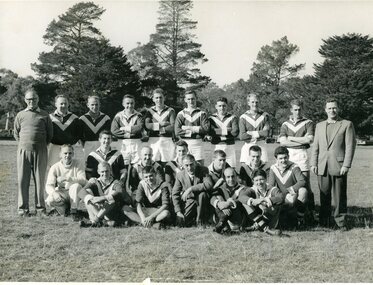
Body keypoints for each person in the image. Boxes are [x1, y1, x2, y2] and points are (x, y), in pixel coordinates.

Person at [311, 98, 356, 230]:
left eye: (334, 108)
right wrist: (313, 163)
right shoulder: (319, 126)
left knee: (339, 196)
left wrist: (346, 165)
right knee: (324, 195)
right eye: (329, 108)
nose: (332, 110)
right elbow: (315, 147)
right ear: (325, 110)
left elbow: (350, 146)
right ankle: (324, 222)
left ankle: (340, 222)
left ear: (338, 109)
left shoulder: (346, 124)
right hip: (322, 165)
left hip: (339, 165)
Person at [14, 88, 53, 216]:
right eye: (29, 99)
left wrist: (40, 144)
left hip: (40, 150)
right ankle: (23, 208)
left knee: (40, 180)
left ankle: (40, 208)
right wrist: (25, 144)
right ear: (25, 100)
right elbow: (16, 133)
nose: (32, 101)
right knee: (22, 180)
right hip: (23, 151)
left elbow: (50, 134)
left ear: (38, 99)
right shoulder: (20, 115)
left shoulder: (44, 115)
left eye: (34, 99)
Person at [279, 99, 315, 220]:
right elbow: (282, 142)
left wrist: (291, 139)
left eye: (299, 109)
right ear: (291, 110)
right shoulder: (285, 124)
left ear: (302, 109)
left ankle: (311, 212)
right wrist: (300, 140)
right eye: (295, 109)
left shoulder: (308, 122)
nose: (297, 112)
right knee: (289, 182)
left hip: (302, 155)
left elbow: (309, 140)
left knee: (305, 184)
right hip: (288, 155)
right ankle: (291, 211)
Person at [78, 161, 132, 227]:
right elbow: (81, 192)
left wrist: (102, 198)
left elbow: (119, 192)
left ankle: (95, 220)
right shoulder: (95, 181)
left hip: (112, 211)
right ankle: (103, 222)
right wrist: (92, 199)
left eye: (107, 171)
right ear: (98, 172)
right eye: (102, 172)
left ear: (110, 171)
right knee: (87, 194)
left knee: (111, 199)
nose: (105, 174)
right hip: (99, 209)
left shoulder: (115, 182)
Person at [268, 146, 307, 228]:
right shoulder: (273, 168)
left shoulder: (294, 167)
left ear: (288, 157)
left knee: (303, 191)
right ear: (276, 159)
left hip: (293, 194)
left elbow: (302, 181)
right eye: (280, 158)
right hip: (281, 195)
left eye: (285, 157)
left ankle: (300, 218)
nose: (283, 160)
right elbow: (271, 185)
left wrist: (290, 191)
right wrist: (279, 195)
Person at [45, 144, 87, 220]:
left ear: (73, 154)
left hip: (74, 193)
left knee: (76, 186)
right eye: (65, 153)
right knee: (50, 200)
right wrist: (54, 193)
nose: (67, 155)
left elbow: (83, 180)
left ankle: (73, 211)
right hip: (62, 193)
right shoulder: (55, 167)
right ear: (60, 155)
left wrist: (68, 178)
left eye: (70, 153)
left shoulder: (78, 164)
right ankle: (64, 210)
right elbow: (49, 185)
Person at [172, 154, 213, 227]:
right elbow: (175, 194)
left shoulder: (203, 170)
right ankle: (193, 219)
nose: (189, 168)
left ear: (195, 163)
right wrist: (178, 212)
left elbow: (209, 184)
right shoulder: (180, 175)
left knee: (202, 194)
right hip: (189, 201)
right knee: (182, 223)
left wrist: (190, 189)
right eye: (186, 165)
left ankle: (200, 220)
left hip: (202, 201)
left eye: (191, 164)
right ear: (182, 165)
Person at [210, 167, 250, 234]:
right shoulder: (221, 188)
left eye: (233, 176)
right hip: (223, 214)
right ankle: (223, 225)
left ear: (236, 176)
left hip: (236, 218)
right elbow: (212, 198)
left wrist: (227, 204)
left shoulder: (242, 188)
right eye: (228, 177)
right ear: (225, 178)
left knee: (235, 204)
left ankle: (222, 224)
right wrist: (219, 204)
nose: (231, 179)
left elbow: (240, 200)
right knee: (217, 202)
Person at [244, 169, 283, 236]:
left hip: (271, 218)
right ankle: (265, 228)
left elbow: (281, 198)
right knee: (246, 202)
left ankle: (258, 226)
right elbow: (241, 197)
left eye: (261, 179)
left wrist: (263, 201)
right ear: (253, 181)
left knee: (274, 206)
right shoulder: (253, 189)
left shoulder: (272, 189)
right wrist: (253, 200)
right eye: (256, 180)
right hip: (259, 218)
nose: (259, 182)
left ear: (266, 179)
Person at [175, 90, 209, 165]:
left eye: (193, 98)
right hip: (184, 143)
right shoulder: (181, 114)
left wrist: (186, 128)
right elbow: (177, 131)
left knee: (199, 167)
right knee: (182, 166)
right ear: (185, 100)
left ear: (196, 98)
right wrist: (197, 129)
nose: (191, 101)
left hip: (197, 143)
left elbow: (206, 129)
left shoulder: (202, 113)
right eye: (189, 99)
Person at [144, 88, 176, 165]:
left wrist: (158, 129)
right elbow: (147, 125)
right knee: (153, 164)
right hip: (153, 141)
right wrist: (161, 124)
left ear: (164, 98)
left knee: (167, 164)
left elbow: (173, 126)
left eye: (161, 97)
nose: (159, 100)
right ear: (153, 99)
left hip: (166, 140)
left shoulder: (170, 110)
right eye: (156, 98)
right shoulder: (149, 111)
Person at [48, 95, 80, 168]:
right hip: (55, 148)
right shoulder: (49, 118)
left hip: (69, 149)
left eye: (65, 103)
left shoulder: (74, 118)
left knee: (70, 170)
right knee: (54, 169)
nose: (64, 105)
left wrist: (71, 143)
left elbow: (78, 134)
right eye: (61, 104)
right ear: (56, 104)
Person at [111, 94, 144, 164]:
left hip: (136, 143)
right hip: (123, 144)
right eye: (127, 103)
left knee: (136, 167)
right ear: (123, 104)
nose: (130, 106)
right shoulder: (118, 116)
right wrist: (127, 135)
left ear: (134, 104)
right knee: (123, 166)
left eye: (132, 103)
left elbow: (139, 128)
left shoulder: (138, 115)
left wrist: (123, 128)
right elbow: (114, 130)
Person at [206, 97, 239, 167]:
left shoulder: (233, 117)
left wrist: (217, 132)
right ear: (216, 107)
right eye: (220, 106)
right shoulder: (211, 118)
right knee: (216, 169)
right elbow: (211, 132)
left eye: (224, 106)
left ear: (227, 106)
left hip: (229, 146)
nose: (222, 108)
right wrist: (228, 129)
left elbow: (235, 132)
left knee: (231, 169)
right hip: (216, 146)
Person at [239, 93, 270, 164]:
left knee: (262, 171)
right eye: (252, 102)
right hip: (248, 146)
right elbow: (242, 136)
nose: (255, 104)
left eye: (256, 102)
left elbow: (266, 133)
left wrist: (251, 133)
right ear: (248, 103)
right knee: (246, 172)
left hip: (261, 145)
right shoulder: (243, 117)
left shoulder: (265, 116)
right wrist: (259, 133)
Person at [79, 95, 111, 162]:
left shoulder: (106, 118)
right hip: (88, 146)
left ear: (100, 105)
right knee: (89, 167)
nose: (95, 107)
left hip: (102, 145)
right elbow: (80, 136)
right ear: (88, 105)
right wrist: (84, 147)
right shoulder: (82, 119)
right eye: (92, 105)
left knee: (103, 166)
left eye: (96, 104)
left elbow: (108, 135)